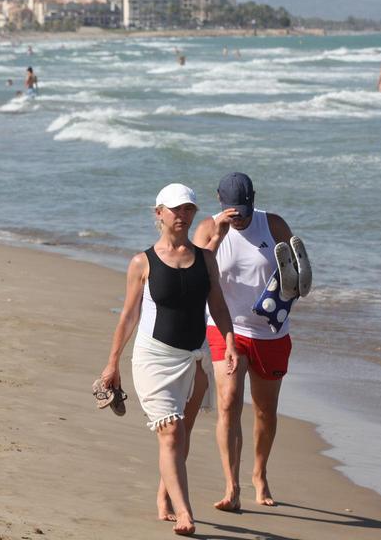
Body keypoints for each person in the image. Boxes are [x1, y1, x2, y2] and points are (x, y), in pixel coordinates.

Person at [99, 184, 236, 536]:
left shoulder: (205, 259)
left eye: (189, 209)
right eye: (176, 209)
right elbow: (128, 316)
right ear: (159, 213)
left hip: (195, 358)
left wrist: (230, 343)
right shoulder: (142, 262)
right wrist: (112, 363)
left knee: (181, 434)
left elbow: (218, 307)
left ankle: (164, 495)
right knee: (172, 432)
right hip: (155, 358)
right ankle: (185, 512)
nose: (183, 215)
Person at [192, 172, 294, 511]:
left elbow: (299, 274)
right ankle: (231, 486)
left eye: (244, 212)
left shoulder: (273, 225)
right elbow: (194, 275)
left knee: (265, 411)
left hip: (269, 332)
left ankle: (259, 474)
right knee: (228, 402)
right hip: (225, 328)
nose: (240, 219)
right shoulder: (208, 228)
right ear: (220, 201)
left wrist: (288, 292)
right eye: (233, 212)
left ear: (254, 199)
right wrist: (218, 237)